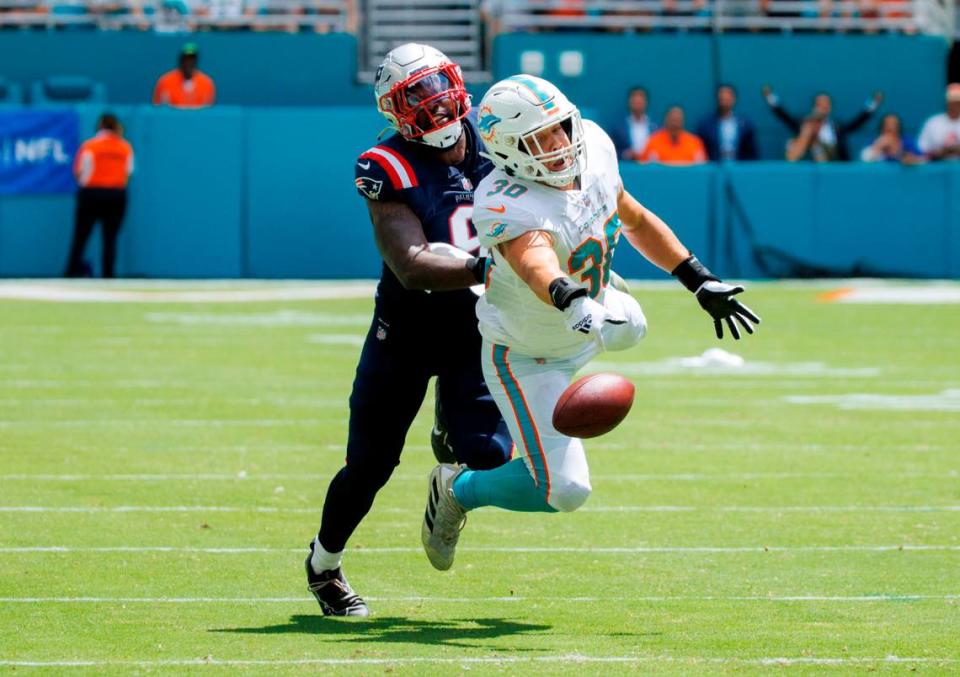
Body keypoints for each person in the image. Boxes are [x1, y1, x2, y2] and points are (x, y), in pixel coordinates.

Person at [420, 75, 760, 572]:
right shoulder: (501, 196)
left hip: (591, 311)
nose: (559, 145)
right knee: (566, 490)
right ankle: (457, 489)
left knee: (632, 326)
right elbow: (535, 260)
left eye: (560, 129)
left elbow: (634, 218)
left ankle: (601, 285)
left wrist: (697, 278)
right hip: (529, 352)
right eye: (541, 139)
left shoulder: (595, 146)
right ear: (510, 150)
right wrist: (571, 298)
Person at [304, 43, 513, 616]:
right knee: (370, 465)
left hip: (476, 328)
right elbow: (413, 265)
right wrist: (490, 268)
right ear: (395, 111)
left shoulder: (499, 134)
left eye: (436, 84)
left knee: (490, 457)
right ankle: (324, 565)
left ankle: (448, 452)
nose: (434, 101)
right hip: (408, 330)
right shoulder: (385, 163)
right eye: (414, 95)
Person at [64, 113, 134, 279]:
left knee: (80, 237)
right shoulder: (125, 147)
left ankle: (71, 273)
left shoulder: (90, 146)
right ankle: (108, 275)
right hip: (116, 196)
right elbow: (128, 173)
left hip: (91, 195)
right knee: (110, 238)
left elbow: (79, 172)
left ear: (100, 126)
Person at [762, 85, 882, 162]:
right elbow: (785, 117)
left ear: (830, 108)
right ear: (814, 107)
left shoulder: (837, 127)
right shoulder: (803, 125)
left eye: (826, 105)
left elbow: (856, 123)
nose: (823, 108)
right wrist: (771, 98)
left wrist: (872, 105)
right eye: (820, 105)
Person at [696, 84, 758, 161]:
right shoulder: (705, 125)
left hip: (740, 168)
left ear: (734, 99)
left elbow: (752, 152)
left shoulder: (745, 125)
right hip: (714, 169)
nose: (724, 101)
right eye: (722, 99)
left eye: (727, 98)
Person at [152, 43, 216, 108]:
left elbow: (207, 112)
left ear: (196, 61)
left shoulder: (206, 83)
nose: (188, 63)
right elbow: (158, 111)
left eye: (192, 59)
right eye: (185, 59)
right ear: (180, 60)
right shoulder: (165, 82)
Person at [640, 106, 707, 165]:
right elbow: (644, 168)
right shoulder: (653, 142)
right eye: (672, 120)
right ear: (666, 121)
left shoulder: (695, 143)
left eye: (678, 120)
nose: (675, 124)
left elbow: (701, 170)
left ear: (683, 122)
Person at [917, 83, 960, 161]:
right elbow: (922, 148)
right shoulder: (933, 122)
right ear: (947, 102)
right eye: (952, 101)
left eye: (958, 101)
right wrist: (941, 152)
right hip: (937, 169)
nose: (955, 104)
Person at [611, 87, 655, 161]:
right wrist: (625, 154)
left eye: (641, 100)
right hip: (629, 169)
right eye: (634, 99)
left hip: (649, 169)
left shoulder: (654, 128)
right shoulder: (618, 129)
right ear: (629, 102)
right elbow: (611, 150)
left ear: (646, 102)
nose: (638, 102)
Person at [860, 113, 924, 164]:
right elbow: (865, 160)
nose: (891, 127)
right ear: (881, 129)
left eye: (894, 125)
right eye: (887, 125)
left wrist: (911, 159)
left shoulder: (907, 141)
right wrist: (878, 147)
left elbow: (924, 159)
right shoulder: (875, 142)